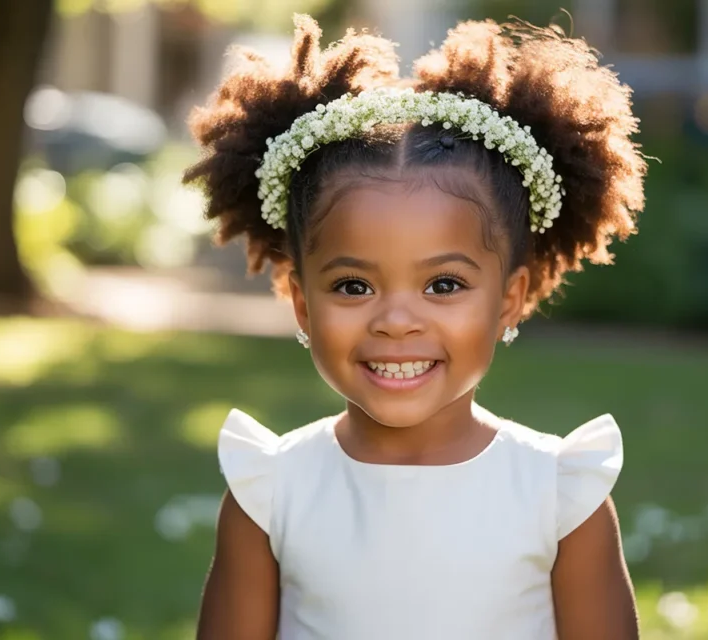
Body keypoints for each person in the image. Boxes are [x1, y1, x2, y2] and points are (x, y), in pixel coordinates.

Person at [185, 13, 647, 639]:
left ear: (508, 302)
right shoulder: (270, 492)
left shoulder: (561, 496)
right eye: (354, 286)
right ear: (302, 304)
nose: (397, 321)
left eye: (443, 285)